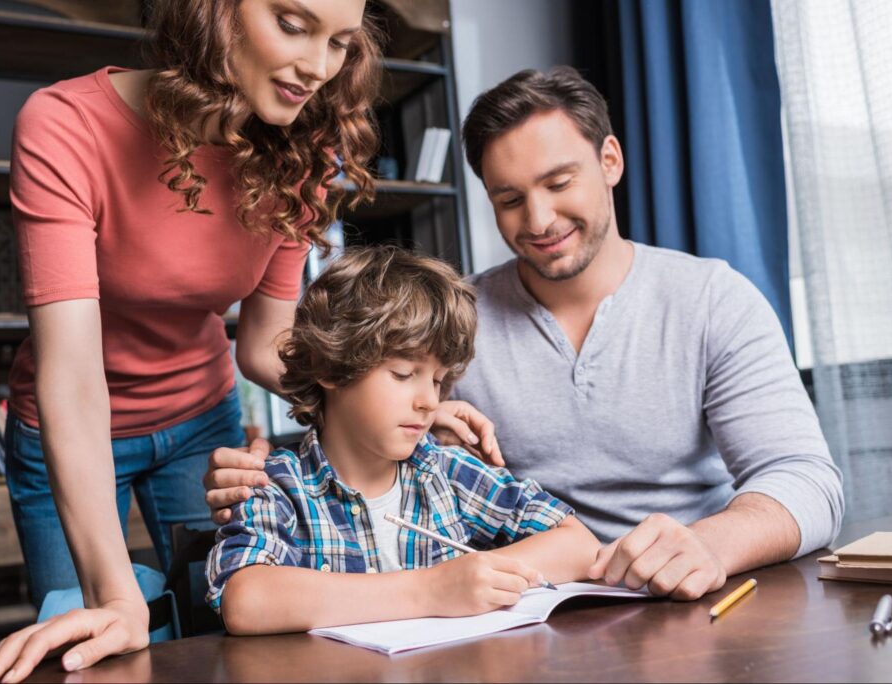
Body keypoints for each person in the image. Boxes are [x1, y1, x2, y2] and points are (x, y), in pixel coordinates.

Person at [205, 66, 844, 603]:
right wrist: (263, 473)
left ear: (610, 160)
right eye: (509, 199)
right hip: (533, 614)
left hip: (693, 600)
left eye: (559, 184)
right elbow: (363, 422)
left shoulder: (712, 298)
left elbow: (806, 479)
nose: (538, 220)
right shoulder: (451, 323)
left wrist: (709, 544)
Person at [0, 1, 385, 681]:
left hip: (202, 425)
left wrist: (382, 401)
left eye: (339, 42)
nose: (318, 67)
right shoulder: (64, 125)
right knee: (92, 648)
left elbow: (265, 344)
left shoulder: (303, 152)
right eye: (292, 24)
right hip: (68, 428)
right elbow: (71, 374)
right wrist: (116, 598)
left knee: (225, 635)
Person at [208, 246, 602, 633]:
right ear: (328, 367)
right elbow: (245, 601)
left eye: (437, 380)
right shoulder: (276, 485)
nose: (429, 401)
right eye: (403, 374)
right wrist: (429, 590)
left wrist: (480, 576)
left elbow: (579, 545)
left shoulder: (447, 472)